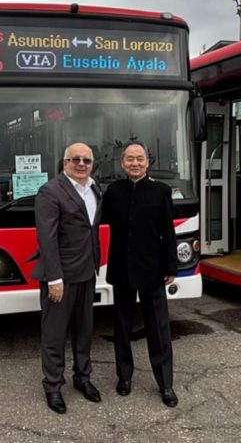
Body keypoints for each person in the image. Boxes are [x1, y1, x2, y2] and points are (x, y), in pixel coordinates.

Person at [102, 142, 179, 408]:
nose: (135, 163)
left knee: (158, 328)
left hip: (152, 269)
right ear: (122, 163)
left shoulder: (161, 191)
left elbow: (168, 231)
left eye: (140, 158)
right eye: (130, 159)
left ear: (148, 161)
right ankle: (124, 377)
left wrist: (171, 266)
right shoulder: (113, 191)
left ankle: (165, 383)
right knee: (122, 326)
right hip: (121, 269)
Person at [31, 142, 102, 414]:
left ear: (92, 164)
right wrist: (54, 278)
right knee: (55, 334)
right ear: (65, 163)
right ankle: (53, 386)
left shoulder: (94, 188)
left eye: (86, 160)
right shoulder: (50, 191)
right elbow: (46, 238)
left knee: (84, 331)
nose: (81, 164)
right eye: (75, 160)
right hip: (60, 277)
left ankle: (82, 377)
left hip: (87, 272)